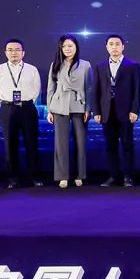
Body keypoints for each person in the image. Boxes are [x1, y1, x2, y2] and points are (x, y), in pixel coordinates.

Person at [0, 38, 42, 189]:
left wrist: (26, 102)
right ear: (5, 53)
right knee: (10, 144)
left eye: (17, 49)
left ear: (23, 53)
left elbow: (36, 89)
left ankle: (35, 177)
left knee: (31, 143)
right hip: (8, 109)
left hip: (27, 108)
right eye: (10, 50)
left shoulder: (32, 69)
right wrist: (5, 103)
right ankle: (13, 178)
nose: (14, 53)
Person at [92, 34, 140, 187]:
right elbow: (96, 90)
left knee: (127, 145)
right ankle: (113, 176)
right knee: (110, 146)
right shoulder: (100, 66)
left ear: (123, 46)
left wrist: (135, 110)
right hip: (107, 111)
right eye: (111, 44)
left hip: (126, 111)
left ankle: (128, 176)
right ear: (107, 47)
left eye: (117, 44)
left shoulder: (133, 65)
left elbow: (137, 90)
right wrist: (96, 111)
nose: (114, 47)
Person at [46, 34, 93, 188]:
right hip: (59, 105)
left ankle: (80, 175)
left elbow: (89, 88)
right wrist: (49, 110)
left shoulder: (85, 65)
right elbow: (50, 88)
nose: (67, 49)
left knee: (81, 142)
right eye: (64, 46)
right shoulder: (55, 64)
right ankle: (62, 176)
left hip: (79, 105)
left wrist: (88, 108)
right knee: (60, 144)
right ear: (60, 48)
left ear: (76, 47)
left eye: (70, 46)